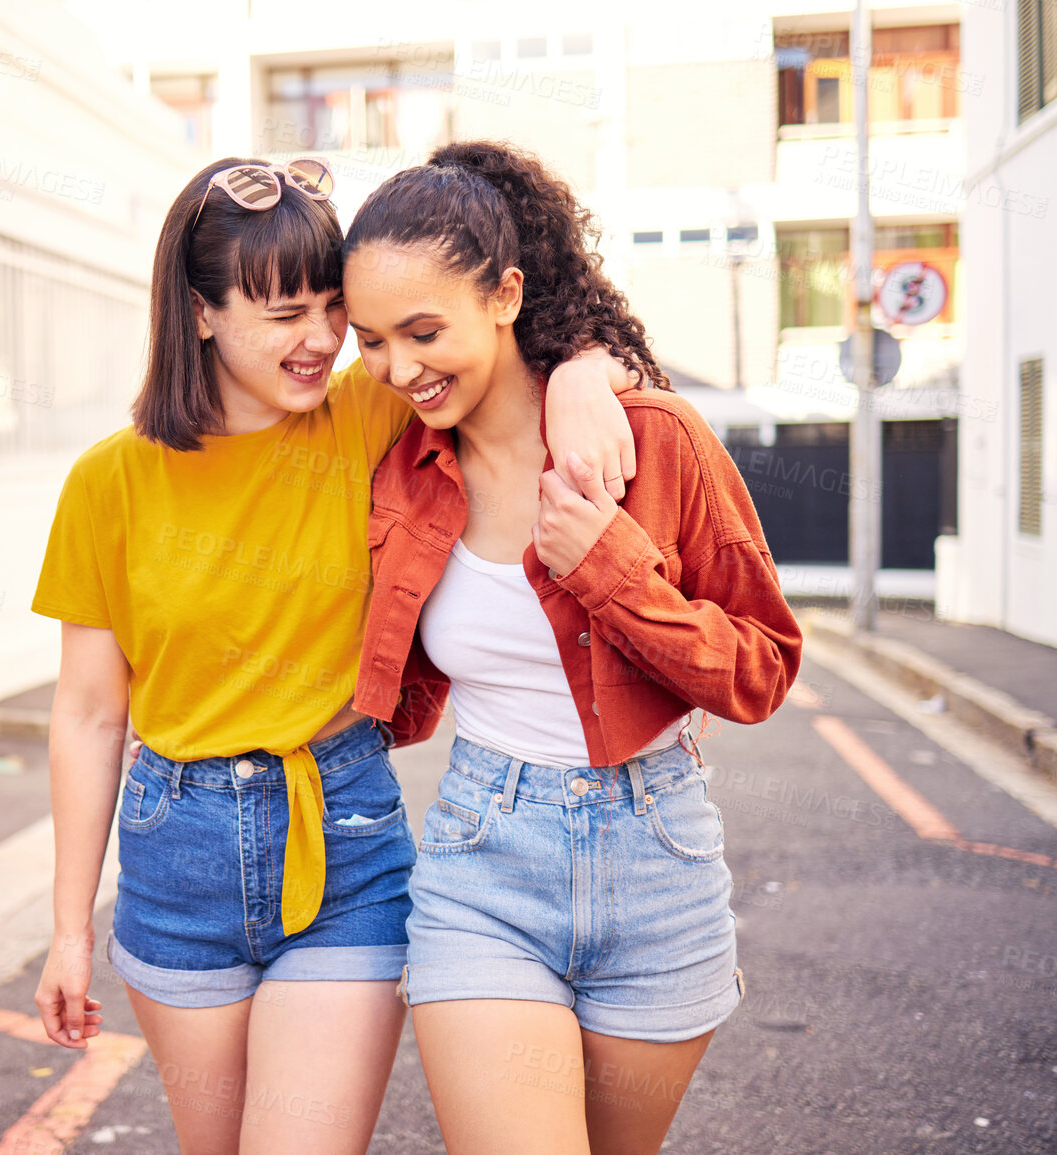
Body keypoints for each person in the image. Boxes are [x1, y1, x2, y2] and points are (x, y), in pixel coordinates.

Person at [28, 154, 637, 1155]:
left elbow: (515, 338)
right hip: (174, 852)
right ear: (199, 313)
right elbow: (91, 715)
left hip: (344, 835)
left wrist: (579, 377)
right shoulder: (110, 483)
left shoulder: (369, 413)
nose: (320, 343)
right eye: (283, 316)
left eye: (330, 312)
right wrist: (66, 929)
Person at [343, 141, 803, 1155]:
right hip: (482, 858)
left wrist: (609, 568)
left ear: (506, 294)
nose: (399, 370)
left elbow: (763, 665)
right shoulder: (399, 468)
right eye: (371, 342)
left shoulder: (657, 441)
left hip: (659, 856)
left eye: (424, 332)